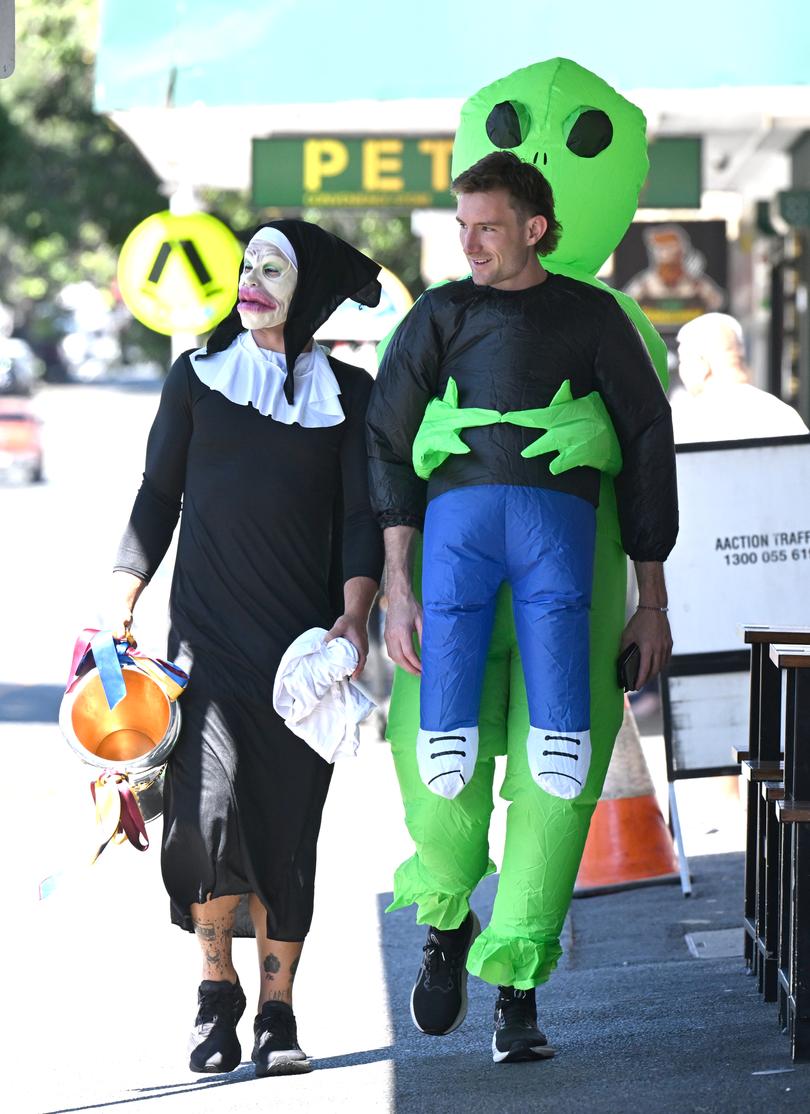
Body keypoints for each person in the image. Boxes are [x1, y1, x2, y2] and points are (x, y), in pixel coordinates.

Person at [366, 151, 678, 1063]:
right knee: (440, 779)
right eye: (461, 227)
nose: (469, 244)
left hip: (566, 589)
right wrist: (394, 584)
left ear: (535, 227)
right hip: (449, 592)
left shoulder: (595, 319)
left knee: (555, 787)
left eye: (487, 227)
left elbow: (649, 442)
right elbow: (385, 440)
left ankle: (519, 993)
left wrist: (651, 600)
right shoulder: (438, 314)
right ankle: (445, 925)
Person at [107, 220, 383, 1078]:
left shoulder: (351, 394)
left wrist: (357, 612)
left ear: (311, 296)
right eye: (247, 266)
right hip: (205, 648)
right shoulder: (196, 379)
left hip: (301, 659)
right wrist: (123, 594)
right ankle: (215, 991)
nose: (251, 281)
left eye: (274, 269)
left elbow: (362, 517)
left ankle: (279, 1014)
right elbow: (158, 494)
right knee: (203, 821)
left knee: (287, 831)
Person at [672, 312, 808, 442]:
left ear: (702, 364)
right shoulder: (783, 414)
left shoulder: (686, 420)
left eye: (683, 361)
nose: (681, 370)